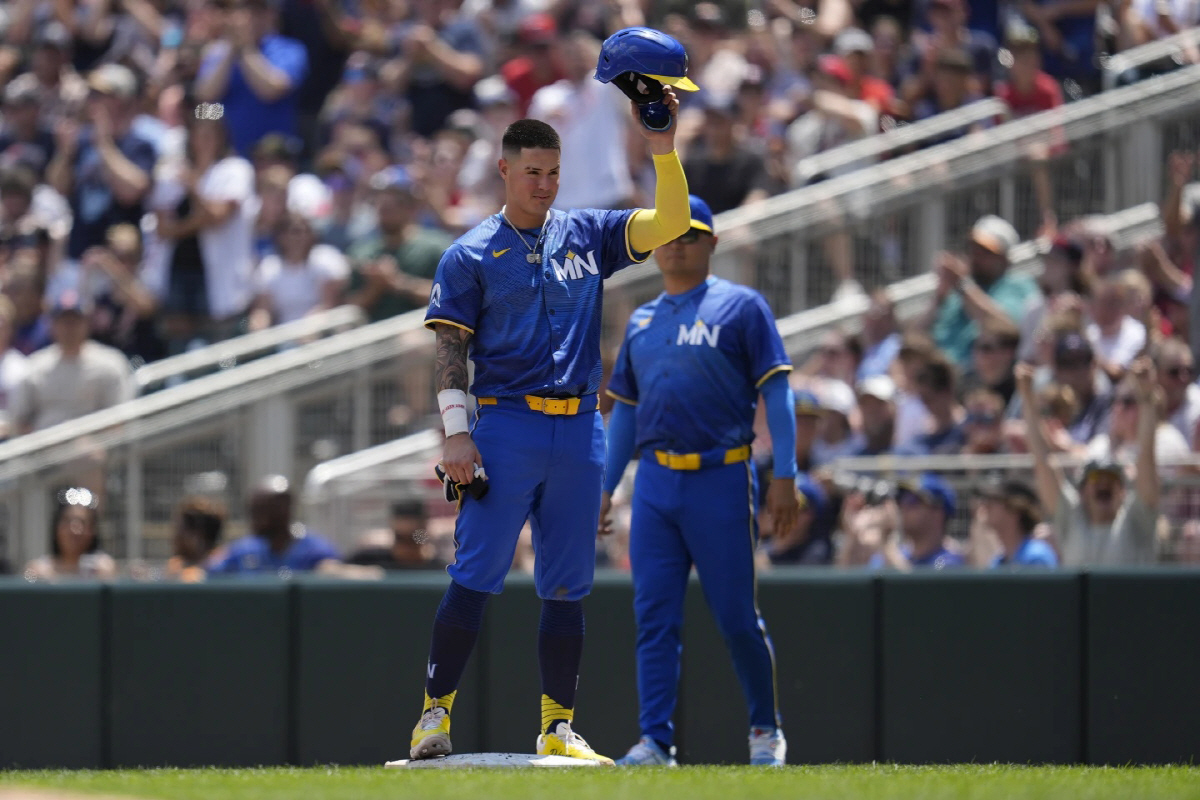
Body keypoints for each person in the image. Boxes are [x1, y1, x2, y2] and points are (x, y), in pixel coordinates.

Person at [410, 81, 693, 763]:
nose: (544, 183)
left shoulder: (588, 233)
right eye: (532, 171)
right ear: (504, 170)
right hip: (507, 423)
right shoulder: (471, 252)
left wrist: (662, 147)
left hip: (578, 429)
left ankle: (558, 727)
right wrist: (456, 431)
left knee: (568, 585)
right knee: (475, 573)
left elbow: (670, 225)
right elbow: (450, 345)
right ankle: (433, 715)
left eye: (553, 172)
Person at [600, 194, 797, 767]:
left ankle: (766, 730)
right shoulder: (641, 319)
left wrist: (784, 473)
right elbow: (626, 414)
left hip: (721, 474)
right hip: (658, 484)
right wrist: (606, 487)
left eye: (690, 234)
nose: (677, 244)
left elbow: (778, 390)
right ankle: (656, 740)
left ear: (712, 243)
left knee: (736, 616)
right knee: (653, 616)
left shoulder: (742, 307)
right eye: (668, 234)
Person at [1018, 360, 1161, 565]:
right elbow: (1042, 460)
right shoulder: (1071, 518)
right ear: (1082, 492)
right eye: (1094, 477)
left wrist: (1147, 398)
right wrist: (1027, 398)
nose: (1104, 483)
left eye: (1112, 478)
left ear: (1122, 491)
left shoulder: (1136, 519)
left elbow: (1147, 455)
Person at [9, 289, 135, 435]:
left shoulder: (110, 364)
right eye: (64, 322)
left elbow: (119, 420)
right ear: (52, 326)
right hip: (43, 448)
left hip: (94, 447)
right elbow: (19, 421)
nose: (69, 328)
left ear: (87, 323)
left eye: (75, 322)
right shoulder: (35, 367)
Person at [206, 475, 343, 575]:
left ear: (285, 511)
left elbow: (333, 572)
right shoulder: (244, 550)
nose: (254, 518)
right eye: (252, 511)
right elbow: (209, 573)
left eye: (261, 511)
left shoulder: (314, 550)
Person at [23, 488, 117, 580]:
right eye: (67, 521)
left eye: (83, 523)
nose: (74, 530)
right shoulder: (38, 571)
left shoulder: (102, 569)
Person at [971, 476, 1058, 567]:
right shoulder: (997, 561)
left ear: (1015, 509)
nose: (986, 505)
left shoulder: (1036, 557)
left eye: (994, 500)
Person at [345, 497, 443, 571]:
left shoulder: (435, 566)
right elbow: (333, 567)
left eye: (411, 537)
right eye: (400, 537)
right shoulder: (373, 558)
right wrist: (363, 572)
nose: (406, 546)